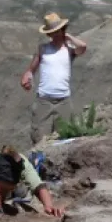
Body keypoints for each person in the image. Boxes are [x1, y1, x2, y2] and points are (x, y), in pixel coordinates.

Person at [20, 12, 87, 148]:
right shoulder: (43, 49)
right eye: (52, 32)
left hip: (64, 101)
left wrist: (68, 37)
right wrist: (27, 76)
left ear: (62, 30)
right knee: (40, 139)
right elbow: (31, 69)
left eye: (58, 31)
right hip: (44, 101)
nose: (55, 35)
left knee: (65, 138)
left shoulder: (69, 50)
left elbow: (83, 47)